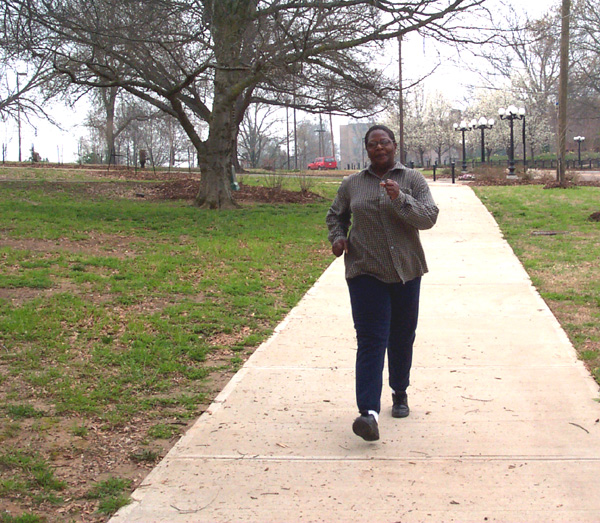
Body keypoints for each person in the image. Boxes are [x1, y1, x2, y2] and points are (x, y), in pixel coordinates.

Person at [326, 124, 439, 441]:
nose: (379, 148)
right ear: (366, 149)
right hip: (365, 270)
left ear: (394, 145)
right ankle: (368, 413)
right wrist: (337, 239)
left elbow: (428, 218)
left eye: (384, 142)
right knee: (371, 339)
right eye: (373, 144)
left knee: (402, 336)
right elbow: (336, 215)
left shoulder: (412, 179)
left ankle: (399, 391)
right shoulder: (352, 184)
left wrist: (400, 198)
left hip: (405, 270)